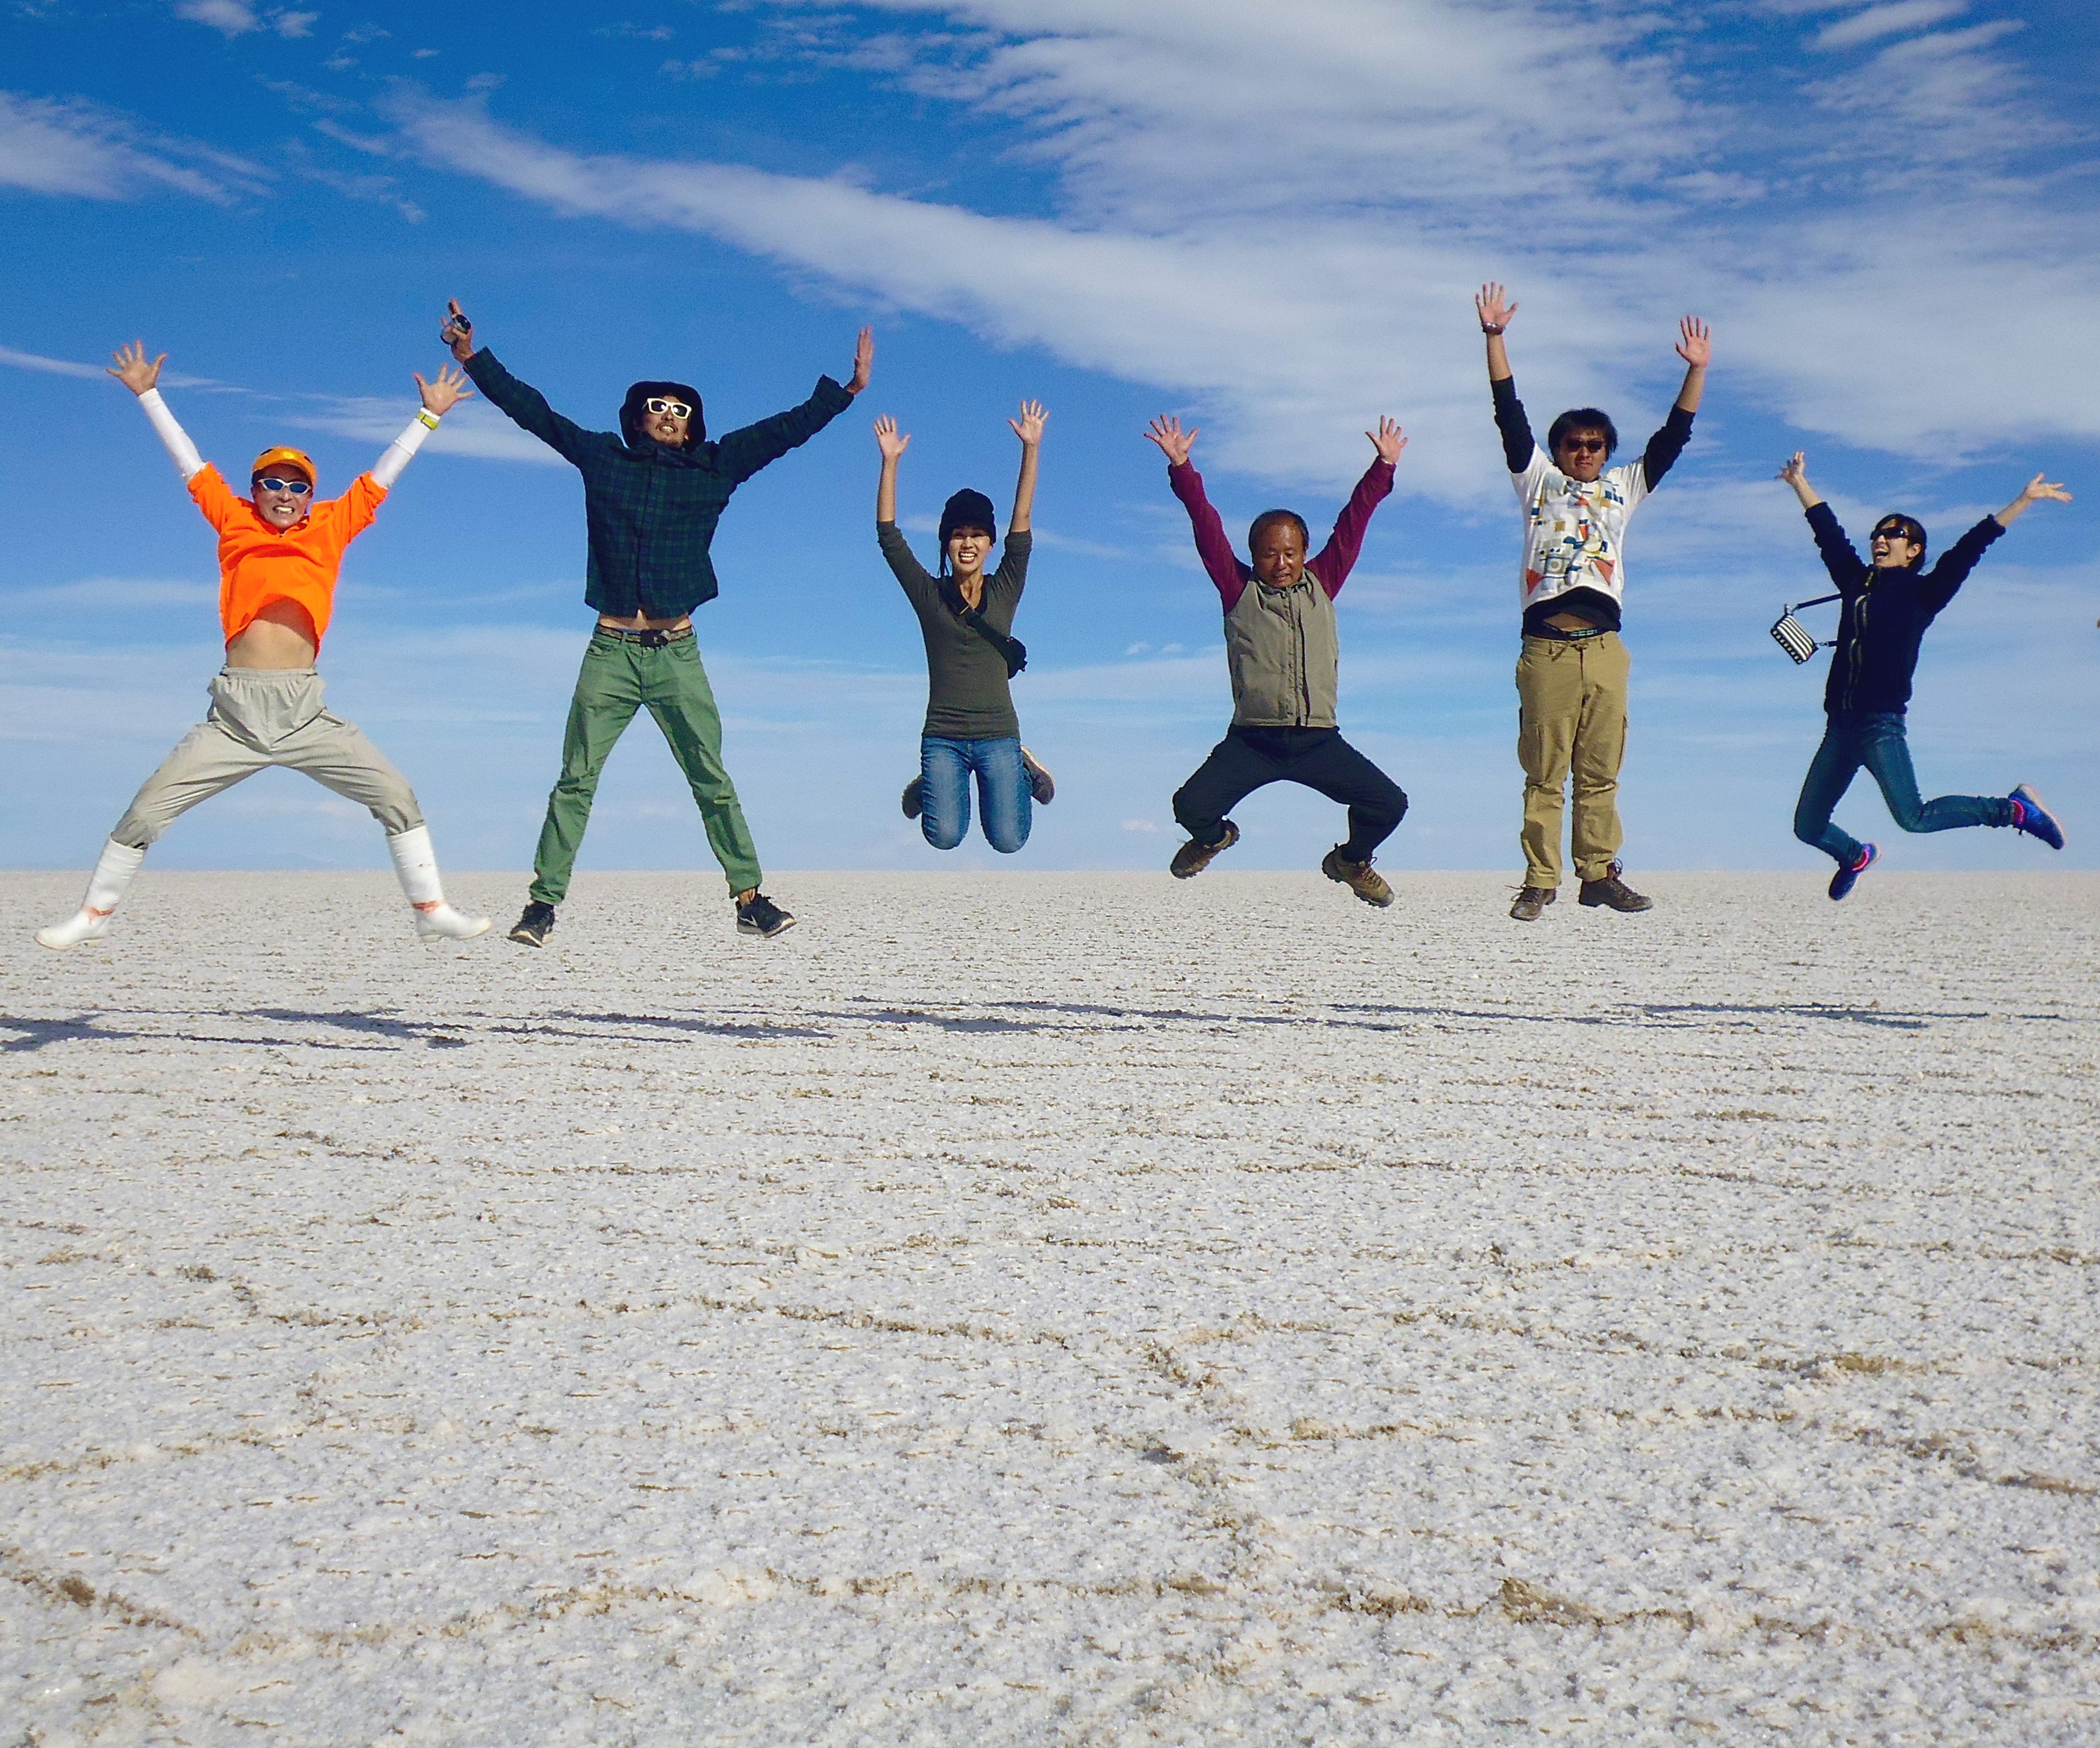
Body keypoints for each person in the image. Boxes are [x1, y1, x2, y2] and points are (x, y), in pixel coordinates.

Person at [444, 299, 872, 944]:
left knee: (711, 777)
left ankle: (750, 899)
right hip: (610, 652)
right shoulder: (603, 460)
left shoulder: (715, 467)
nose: (671, 417)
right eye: (658, 408)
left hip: (677, 654)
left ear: (693, 424)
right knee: (576, 780)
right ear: (636, 418)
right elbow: (534, 413)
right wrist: (474, 359)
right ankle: (542, 906)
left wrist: (845, 393)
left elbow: (782, 431)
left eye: (682, 411)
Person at [35, 342, 488, 952]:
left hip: (305, 711)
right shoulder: (234, 523)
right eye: (270, 483)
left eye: (296, 485)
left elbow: (381, 478)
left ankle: (430, 908)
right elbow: (190, 465)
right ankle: (92, 915)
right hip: (235, 715)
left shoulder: (331, 527)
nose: (283, 493)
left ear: (309, 495)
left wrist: (428, 417)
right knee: (146, 812)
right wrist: (148, 394)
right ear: (254, 490)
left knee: (397, 797)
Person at [1476, 282, 1710, 922]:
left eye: (1594, 445)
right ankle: (1538, 879)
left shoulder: (1622, 488)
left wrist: (1695, 371)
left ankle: (1599, 874)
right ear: (1556, 452)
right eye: (1572, 445)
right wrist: (1495, 339)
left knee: (1601, 770)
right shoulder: (1536, 482)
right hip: (1547, 650)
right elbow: (1508, 413)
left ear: (1606, 452)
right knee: (1544, 773)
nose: (1583, 453)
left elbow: (1674, 437)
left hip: (1604, 650)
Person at [1143, 412, 1410, 906]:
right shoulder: (1237, 588)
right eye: (1269, 554)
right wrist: (1183, 467)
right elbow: (1205, 525)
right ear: (1254, 555)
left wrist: (1383, 467)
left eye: (1290, 552)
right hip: (1253, 740)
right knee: (1189, 807)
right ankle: (1212, 839)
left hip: (1317, 741)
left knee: (1388, 804)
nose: (1281, 563)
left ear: (1305, 551)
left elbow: (1355, 519)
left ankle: (1351, 860)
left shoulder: (1324, 581)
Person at [1776, 452, 2071, 898]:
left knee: (1912, 817)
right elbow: (1828, 534)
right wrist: (1800, 483)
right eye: (1878, 531)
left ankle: (2012, 810)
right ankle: (1855, 855)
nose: (1881, 537)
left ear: (1913, 551)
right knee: (1807, 826)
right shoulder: (1856, 582)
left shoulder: (1923, 593)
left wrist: (2023, 500)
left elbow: (1970, 548)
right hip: (1839, 726)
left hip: (1879, 725)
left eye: (1893, 533)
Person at [874, 403, 1056, 853]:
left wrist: (1031, 449)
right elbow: (889, 539)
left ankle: (1021, 764)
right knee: (944, 837)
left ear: (990, 544)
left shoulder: (1005, 588)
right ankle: (934, 781)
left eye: (977, 534)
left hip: (998, 734)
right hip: (943, 736)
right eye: (958, 534)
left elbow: (1023, 525)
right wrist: (890, 463)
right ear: (946, 543)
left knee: (1009, 841)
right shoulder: (929, 596)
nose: (968, 542)